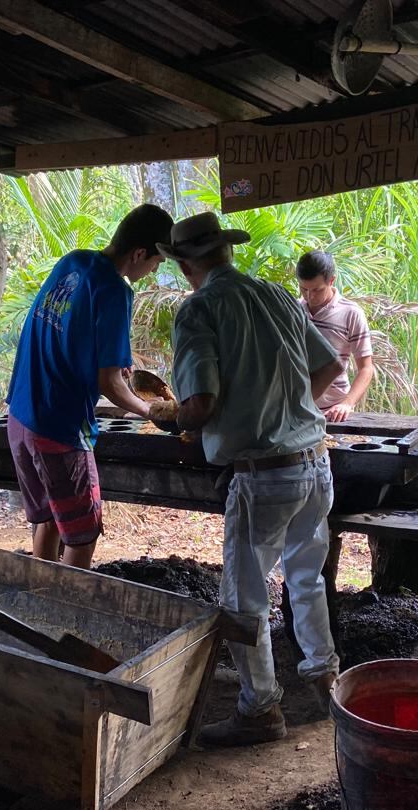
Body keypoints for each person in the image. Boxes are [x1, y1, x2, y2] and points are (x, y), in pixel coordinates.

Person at [162, 212, 343, 746]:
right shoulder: (277, 296)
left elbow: (199, 404)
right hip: (314, 463)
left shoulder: (199, 309)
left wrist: (164, 414)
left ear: (186, 263)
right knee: (307, 579)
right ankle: (325, 681)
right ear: (226, 252)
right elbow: (331, 366)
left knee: (244, 600)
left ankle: (260, 709)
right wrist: (286, 412)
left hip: (265, 478)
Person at [4, 204, 173, 569]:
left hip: (20, 414)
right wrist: (152, 411)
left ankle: (43, 601)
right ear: (139, 253)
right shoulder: (115, 289)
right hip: (59, 427)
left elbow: (70, 335)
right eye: (157, 262)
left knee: (48, 518)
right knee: (82, 534)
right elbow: (109, 383)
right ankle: (70, 613)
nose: (154, 270)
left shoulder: (73, 262)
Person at [295, 250, 374, 423]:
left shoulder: (351, 313)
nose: (309, 296)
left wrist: (347, 404)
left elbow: (366, 368)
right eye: (303, 289)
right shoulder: (293, 310)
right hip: (297, 412)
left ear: (331, 281)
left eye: (317, 289)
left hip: (333, 414)